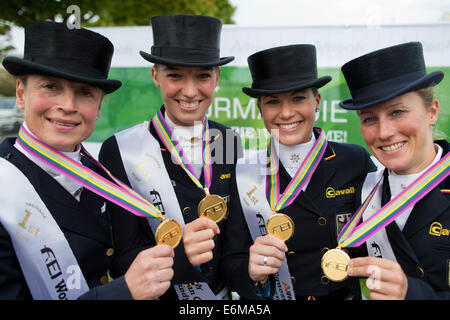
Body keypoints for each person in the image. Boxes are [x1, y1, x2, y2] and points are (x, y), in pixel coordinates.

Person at [0, 20, 175, 300]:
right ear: (21, 94)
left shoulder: (97, 173)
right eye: (50, 86)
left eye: (84, 93)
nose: (68, 106)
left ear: (99, 106)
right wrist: (123, 292)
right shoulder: (4, 185)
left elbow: (114, 257)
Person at [99, 14, 242, 300]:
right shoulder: (120, 149)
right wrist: (178, 254)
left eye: (202, 76)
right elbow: (120, 259)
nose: (190, 92)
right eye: (175, 75)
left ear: (217, 77)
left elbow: (234, 244)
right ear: (155, 76)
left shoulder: (229, 139)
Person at [221, 44, 376, 300]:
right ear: (260, 109)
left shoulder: (355, 160)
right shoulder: (244, 172)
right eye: (273, 102)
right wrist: (250, 271)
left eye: (298, 98)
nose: (286, 113)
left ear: (316, 101)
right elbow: (231, 261)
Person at [339, 42, 449, 300]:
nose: (384, 132)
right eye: (369, 118)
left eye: (397, 112)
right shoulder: (364, 189)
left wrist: (412, 294)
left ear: (431, 111)